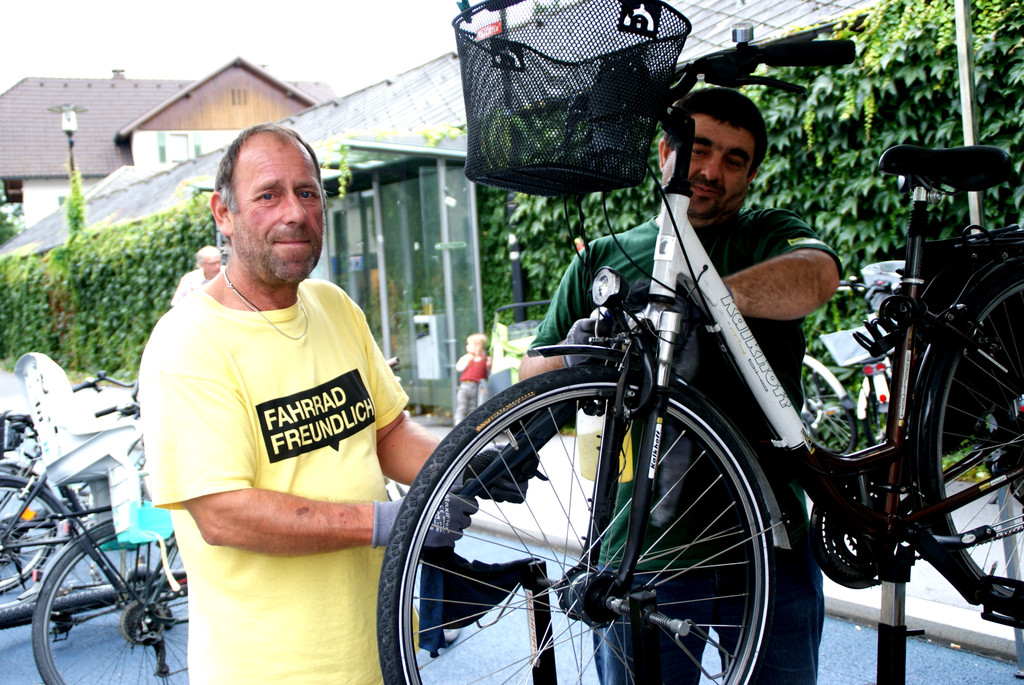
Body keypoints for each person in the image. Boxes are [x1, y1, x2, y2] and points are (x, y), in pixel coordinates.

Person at [519, 87, 841, 684]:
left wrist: (711, 298)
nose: (712, 171)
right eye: (700, 149)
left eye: (735, 160)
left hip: (769, 545)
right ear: (666, 152)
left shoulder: (766, 234)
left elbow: (817, 276)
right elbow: (532, 381)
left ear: (751, 175)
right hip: (640, 549)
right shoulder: (604, 257)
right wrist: (581, 355)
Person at [139, 123, 479, 684]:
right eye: (268, 195)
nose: (295, 213)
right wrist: (389, 521)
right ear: (223, 214)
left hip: (381, 652)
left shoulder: (333, 305)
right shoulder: (188, 342)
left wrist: (468, 462)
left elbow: (387, 434)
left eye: (307, 193)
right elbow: (222, 514)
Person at [453, 332, 490, 424]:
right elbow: (459, 368)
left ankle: (471, 423)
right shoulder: (468, 358)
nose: (467, 346)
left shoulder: (485, 359)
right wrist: (466, 359)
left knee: (473, 406)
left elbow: (488, 373)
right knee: (462, 404)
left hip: (477, 386)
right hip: (465, 385)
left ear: (478, 345)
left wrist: (489, 365)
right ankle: (458, 421)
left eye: (469, 344)